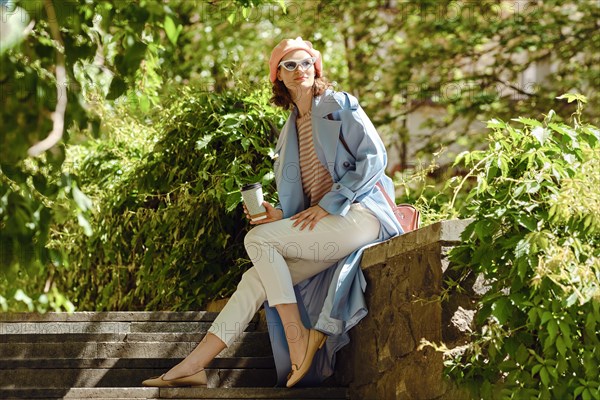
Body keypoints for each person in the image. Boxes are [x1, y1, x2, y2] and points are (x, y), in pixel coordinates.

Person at [142, 37, 403, 389]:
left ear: (317, 68)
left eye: (306, 63)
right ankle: (194, 365)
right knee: (254, 279)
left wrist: (328, 204)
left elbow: (374, 159)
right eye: (290, 66)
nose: (300, 71)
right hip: (330, 227)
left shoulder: (339, 104)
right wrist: (281, 216)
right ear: (278, 76)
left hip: (361, 216)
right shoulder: (288, 131)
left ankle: (298, 340)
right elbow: (308, 200)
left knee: (257, 241)